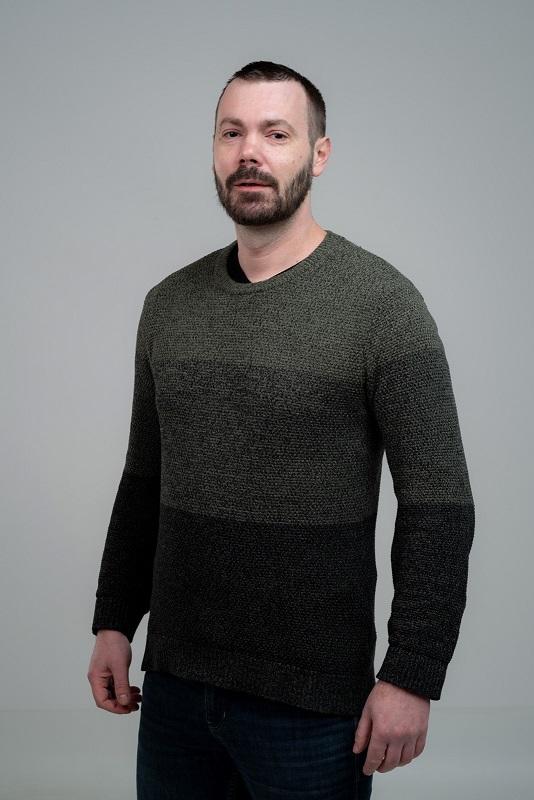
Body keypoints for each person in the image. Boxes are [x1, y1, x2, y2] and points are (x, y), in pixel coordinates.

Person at [87, 60, 475, 799]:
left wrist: (412, 674)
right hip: (175, 689)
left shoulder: (383, 306)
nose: (249, 153)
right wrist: (114, 621)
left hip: (312, 707)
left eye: (276, 133)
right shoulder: (168, 305)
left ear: (318, 154)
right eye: (231, 133)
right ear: (213, 150)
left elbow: (440, 505)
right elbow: (144, 478)